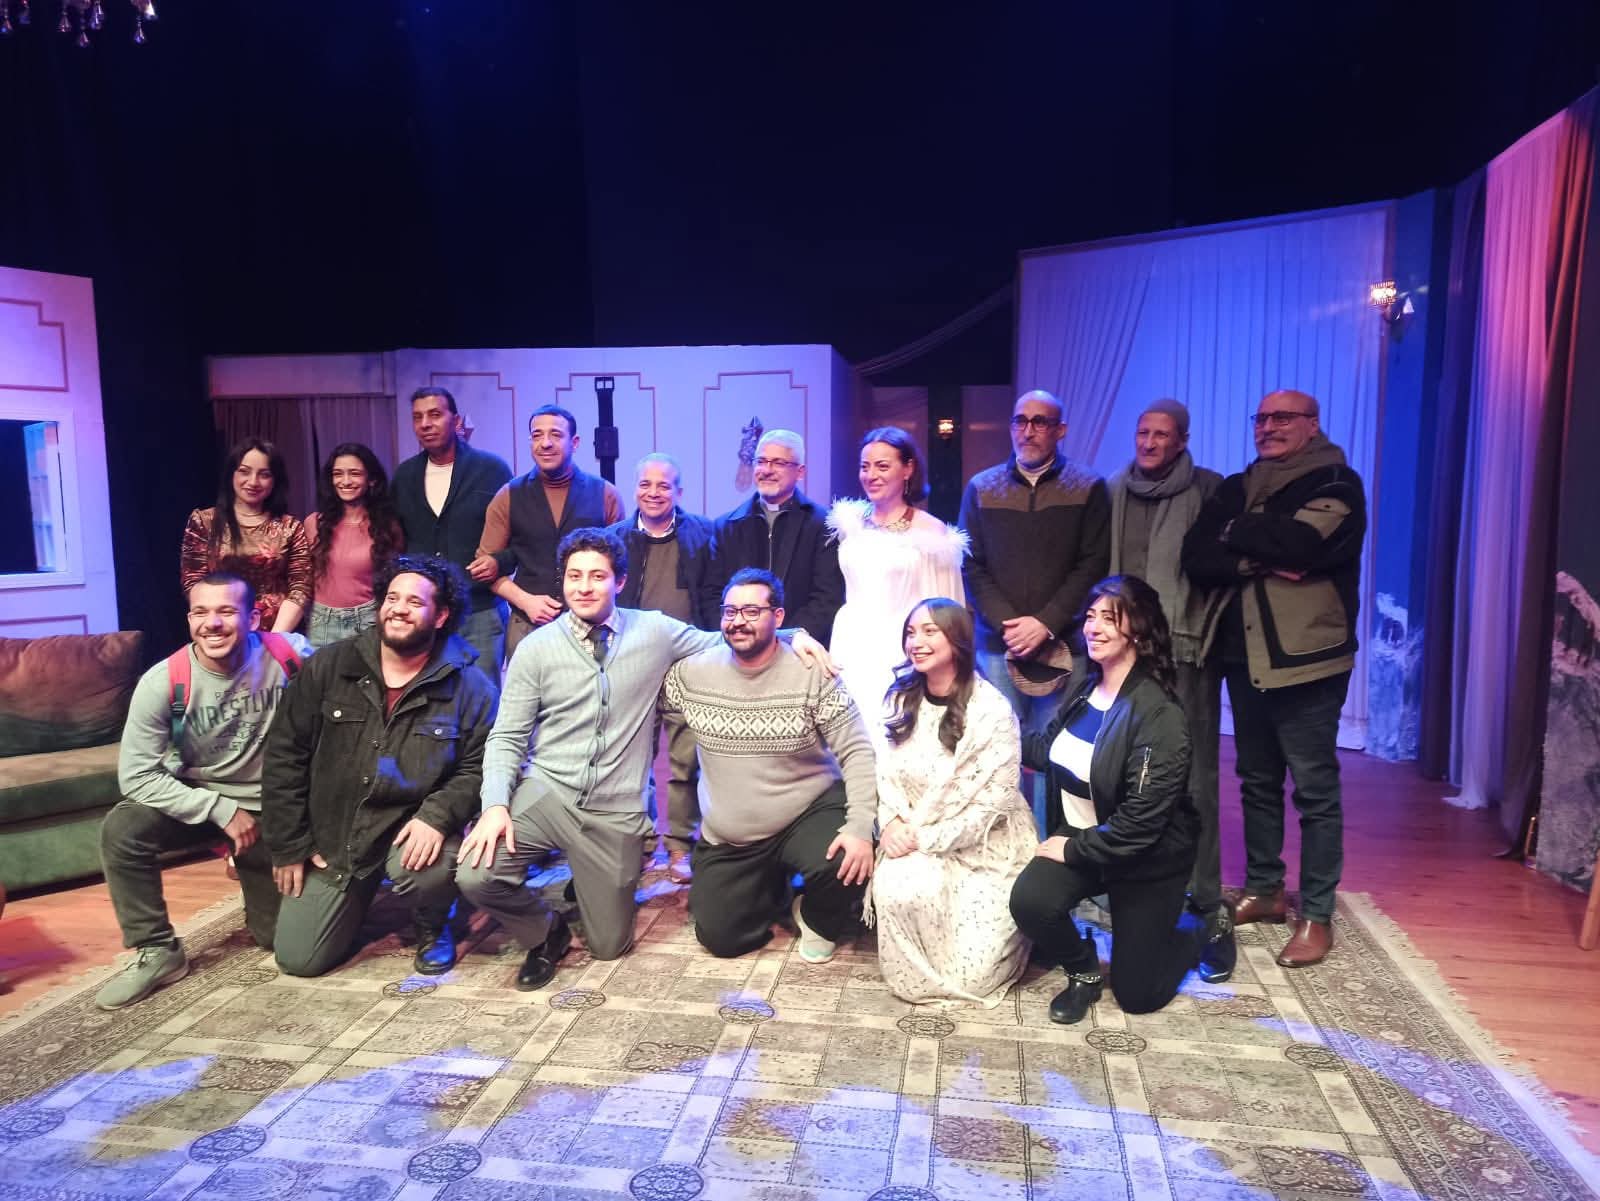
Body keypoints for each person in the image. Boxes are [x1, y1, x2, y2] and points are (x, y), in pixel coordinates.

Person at [456, 528, 832, 988]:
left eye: (597, 576)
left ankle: (595, 877)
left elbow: (722, 638)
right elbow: (507, 736)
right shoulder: (535, 648)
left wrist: (793, 634)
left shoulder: (654, 630)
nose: (584, 586)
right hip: (547, 792)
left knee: (608, 945)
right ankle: (546, 930)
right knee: (476, 875)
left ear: (620, 581)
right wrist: (495, 805)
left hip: (615, 809)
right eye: (574, 576)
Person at [1182, 389, 1365, 967]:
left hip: (1308, 658)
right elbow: (1197, 556)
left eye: (1282, 417)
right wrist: (1260, 552)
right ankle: (1264, 890)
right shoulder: (1238, 486)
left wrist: (1238, 532)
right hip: (1242, 658)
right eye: (1260, 418)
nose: (1267, 427)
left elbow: (1305, 546)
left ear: (1312, 423)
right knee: (1257, 781)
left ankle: (1316, 914)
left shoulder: (1336, 482)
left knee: (1314, 789)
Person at [1009, 576, 1236, 1024]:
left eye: (1109, 619)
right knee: (1030, 903)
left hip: (1144, 857)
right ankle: (1083, 970)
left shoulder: (1159, 715)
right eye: (1091, 617)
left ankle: (1205, 925)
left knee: (1138, 995)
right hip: (1086, 836)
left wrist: (1072, 850)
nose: (1093, 627)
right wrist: (990, 728)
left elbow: (1139, 823)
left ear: (1139, 629)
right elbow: (1047, 750)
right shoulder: (1085, 690)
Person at [262, 555, 498, 978]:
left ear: (441, 615)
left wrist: (438, 816)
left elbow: (479, 766)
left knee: (428, 871)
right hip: (338, 832)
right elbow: (284, 755)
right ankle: (353, 898)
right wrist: (290, 844)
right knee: (299, 959)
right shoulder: (329, 665)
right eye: (392, 598)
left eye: (415, 602)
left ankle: (433, 922)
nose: (399, 609)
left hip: (412, 827)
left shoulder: (470, 683)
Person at [95, 573, 310, 1009]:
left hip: (275, 809)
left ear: (253, 618)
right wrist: (218, 809)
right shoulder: (164, 681)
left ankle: (249, 866)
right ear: (190, 619)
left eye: (226, 611)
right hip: (202, 800)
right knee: (123, 829)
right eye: (200, 612)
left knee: (280, 940)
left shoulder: (291, 656)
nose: (212, 623)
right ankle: (157, 949)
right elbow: (135, 776)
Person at [661, 569, 877, 962]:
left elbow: (858, 750)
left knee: (848, 857)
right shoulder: (691, 674)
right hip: (733, 837)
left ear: (778, 617)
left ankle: (814, 915)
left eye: (751, 611)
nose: (738, 621)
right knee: (721, 938)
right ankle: (775, 886)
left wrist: (861, 827)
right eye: (730, 611)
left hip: (807, 810)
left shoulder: (813, 672)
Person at [868, 598, 1036, 1006]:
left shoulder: (992, 711)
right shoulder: (900, 698)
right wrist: (890, 825)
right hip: (910, 835)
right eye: (911, 632)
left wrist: (923, 837)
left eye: (930, 631)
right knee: (902, 892)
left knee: (974, 977)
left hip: (984, 849)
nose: (916, 642)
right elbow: (885, 774)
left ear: (957, 640)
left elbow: (993, 805)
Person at [958, 391, 1110, 828]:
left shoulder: (1088, 486)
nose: (1028, 430)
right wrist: (1009, 625)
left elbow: (1093, 564)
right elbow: (970, 563)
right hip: (997, 646)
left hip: (1063, 646)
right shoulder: (981, 487)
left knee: (1056, 754)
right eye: (1020, 421)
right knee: (998, 753)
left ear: (1060, 430)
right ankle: (1005, 848)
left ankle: (1047, 849)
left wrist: (1045, 624)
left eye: (1040, 422)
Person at [1106, 400, 1228, 939]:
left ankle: (1203, 893)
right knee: (1122, 770)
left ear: (1182, 441)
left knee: (1193, 774)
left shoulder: (1208, 489)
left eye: (1161, 435)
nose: (1149, 443)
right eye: (1143, 432)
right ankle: (1129, 882)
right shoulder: (1114, 489)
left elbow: (1221, 570)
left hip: (1185, 650)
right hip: (1124, 652)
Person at [605, 452, 720, 882]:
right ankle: (639, 842)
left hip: (687, 664)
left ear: (679, 491)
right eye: (645, 484)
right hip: (631, 662)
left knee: (684, 761)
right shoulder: (613, 539)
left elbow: (712, 596)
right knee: (631, 759)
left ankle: (679, 845)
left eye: (663, 485)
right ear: (634, 488)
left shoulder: (704, 535)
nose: (653, 493)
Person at [827, 427, 966, 737]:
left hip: (901, 649)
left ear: (908, 469)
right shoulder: (851, 524)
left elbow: (947, 611)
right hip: (851, 644)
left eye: (882, 466)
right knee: (852, 740)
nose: (871, 475)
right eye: (865, 466)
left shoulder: (931, 533)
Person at [471, 404, 624, 660]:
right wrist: (525, 601)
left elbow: (619, 566)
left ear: (574, 442)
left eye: (556, 434)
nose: (545, 443)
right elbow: (485, 570)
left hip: (592, 626)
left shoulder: (605, 494)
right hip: (528, 624)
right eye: (537, 435)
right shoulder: (509, 495)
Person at [391, 386, 514, 684]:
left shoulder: (491, 470)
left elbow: (520, 538)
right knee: (428, 696)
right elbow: (395, 541)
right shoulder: (404, 476)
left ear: (456, 420)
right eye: (417, 417)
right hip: (424, 610)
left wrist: (499, 562)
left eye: (434, 415)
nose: (425, 424)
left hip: (480, 608)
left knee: (483, 697)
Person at [710, 429, 844, 644]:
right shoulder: (726, 526)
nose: (767, 470)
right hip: (738, 645)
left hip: (798, 647)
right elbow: (712, 594)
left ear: (800, 472)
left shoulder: (823, 525)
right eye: (761, 461)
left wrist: (786, 640)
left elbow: (826, 598)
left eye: (778, 463)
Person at [180, 438, 312, 633]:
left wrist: (275, 639)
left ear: (275, 480)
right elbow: (193, 582)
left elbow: (301, 587)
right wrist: (217, 624)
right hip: (220, 628)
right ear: (231, 474)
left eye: (264, 474)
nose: (253, 482)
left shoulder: (290, 526)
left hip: (279, 630)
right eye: (244, 471)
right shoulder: (204, 521)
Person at [302, 442, 403, 648]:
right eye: (338, 474)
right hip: (322, 622)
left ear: (372, 480)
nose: (345, 481)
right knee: (320, 671)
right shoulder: (314, 523)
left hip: (368, 619)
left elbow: (395, 579)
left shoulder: (387, 526)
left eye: (354, 473)